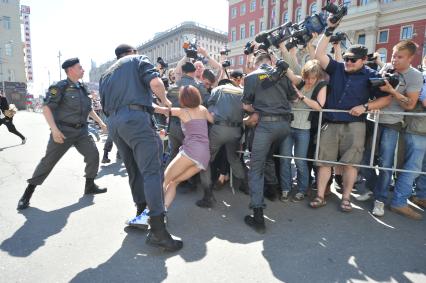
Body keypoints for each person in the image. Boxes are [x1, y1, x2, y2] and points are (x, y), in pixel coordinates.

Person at [99, 44, 182, 252]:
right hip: (136, 122)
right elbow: (155, 83)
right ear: (132, 53)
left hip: (115, 123)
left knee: (134, 170)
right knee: (152, 172)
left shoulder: (106, 75)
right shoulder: (138, 60)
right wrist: (166, 101)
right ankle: (157, 230)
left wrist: (161, 109)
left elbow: (121, 103)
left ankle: (141, 212)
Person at [311, 18, 392, 212]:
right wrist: (330, 28)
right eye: (346, 58)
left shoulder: (372, 75)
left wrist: (365, 107)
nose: (347, 62)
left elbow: (386, 99)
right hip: (330, 123)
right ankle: (320, 195)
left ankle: (346, 198)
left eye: (352, 60)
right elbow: (318, 53)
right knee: (324, 162)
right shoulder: (337, 67)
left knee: (351, 164)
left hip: (356, 125)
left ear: (363, 60)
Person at [17, 58, 107, 210]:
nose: (83, 70)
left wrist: (101, 123)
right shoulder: (59, 87)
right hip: (63, 132)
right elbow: (47, 109)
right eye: (80, 68)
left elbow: (88, 109)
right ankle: (27, 193)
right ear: (71, 70)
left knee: (93, 155)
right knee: (48, 162)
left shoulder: (82, 87)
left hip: (82, 131)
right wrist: (54, 129)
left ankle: (89, 185)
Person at [241, 52, 296, 234]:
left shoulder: (251, 77)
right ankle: (272, 190)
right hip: (285, 126)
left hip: (265, 126)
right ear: (271, 61)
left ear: (256, 63)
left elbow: (246, 106)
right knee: (269, 157)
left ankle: (258, 217)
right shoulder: (282, 74)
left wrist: (259, 107)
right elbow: (293, 98)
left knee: (256, 168)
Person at [370, 40, 424, 218]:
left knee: (386, 164)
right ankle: (371, 188)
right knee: (363, 159)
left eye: (399, 57)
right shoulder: (385, 67)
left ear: (410, 58)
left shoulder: (415, 76)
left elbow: (410, 105)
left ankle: (380, 199)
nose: (394, 60)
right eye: (393, 55)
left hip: (392, 123)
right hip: (373, 118)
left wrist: (392, 91)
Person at [156, 85, 213, 209]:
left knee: (164, 180)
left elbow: (159, 110)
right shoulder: (203, 109)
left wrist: (146, 102)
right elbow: (213, 120)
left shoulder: (182, 111)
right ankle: (163, 210)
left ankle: (149, 214)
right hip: (204, 156)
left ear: (183, 99)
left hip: (191, 152)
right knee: (173, 182)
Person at [197, 78, 248, 208]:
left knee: (206, 159)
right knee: (233, 157)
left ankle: (208, 196)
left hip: (219, 129)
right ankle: (245, 185)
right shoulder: (241, 91)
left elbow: (211, 109)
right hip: (236, 130)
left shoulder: (218, 90)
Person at [281, 60, 327, 202]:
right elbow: (288, 72)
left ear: (318, 77)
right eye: (307, 77)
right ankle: (285, 188)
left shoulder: (321, 85)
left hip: (304, 128)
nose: (309, 81)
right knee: (285, 159)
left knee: (300, 161)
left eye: (313, 78)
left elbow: (319, 106)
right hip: (289, 126)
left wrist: (301, 97)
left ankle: (301, 190)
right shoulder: (300, 81)